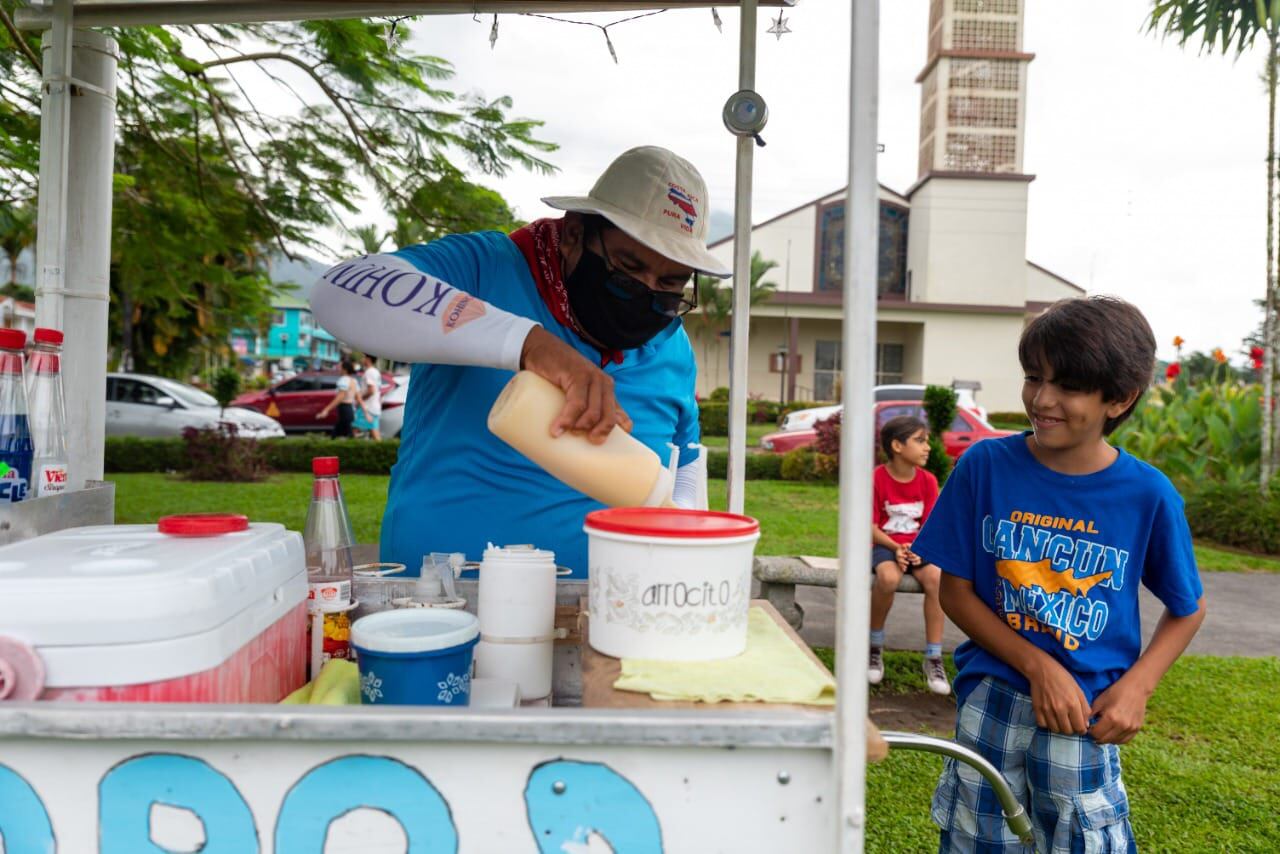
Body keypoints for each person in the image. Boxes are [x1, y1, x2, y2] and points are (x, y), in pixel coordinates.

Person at [310, 146, 729, 575]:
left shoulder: (672, 345)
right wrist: (532, 345)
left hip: (609, 612)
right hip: (444, 604)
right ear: (574, 234)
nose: (647, 291)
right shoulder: (483, 270)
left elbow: (684, 474)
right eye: (627, 269)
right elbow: (338, 289)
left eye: (671, 283)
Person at [911, 296, 1206, 853]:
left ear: (1119, 398)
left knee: (1083, 841)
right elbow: (956, 590)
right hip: (992, 699)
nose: (1042, 400)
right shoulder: (985, 466)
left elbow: (1187, 608)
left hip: (1085, 716)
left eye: (1067, 386)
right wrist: (1037, 665)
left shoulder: (1147, 495)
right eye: (1032, 377)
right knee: (978, 839)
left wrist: (1137, 687)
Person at [868, 414, 948, 695]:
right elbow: (870, 526)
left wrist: (916, 549)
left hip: (917, 547)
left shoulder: (927, 481)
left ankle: (933, 657)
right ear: (897, 446)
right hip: (884, 545)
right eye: (920, 440)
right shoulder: (876, 478)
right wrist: (895, 548)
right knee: (888, 578)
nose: (928, 447)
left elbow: (931, 525)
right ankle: (874, 647)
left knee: (937, 579)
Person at [317, 358, 365, 439]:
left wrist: (326, 409)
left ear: (345, 370)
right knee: (342, 434)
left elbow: (340, 397)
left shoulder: (343, 380)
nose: (339, 369)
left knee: (344, 435)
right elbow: (359, 398)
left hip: (344, 409)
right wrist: (365, 412)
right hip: (350, 410)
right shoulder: (354, 381)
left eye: (340, 367)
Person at [354, 353, 383, 441]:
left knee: (355, 431)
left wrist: (359, 398)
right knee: (374, 434)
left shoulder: (369, 372)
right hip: (373, 407)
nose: (362, 359)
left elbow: (371, 391)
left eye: (363, 357)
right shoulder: (376, 371)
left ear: (368, 359)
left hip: (367, 407)